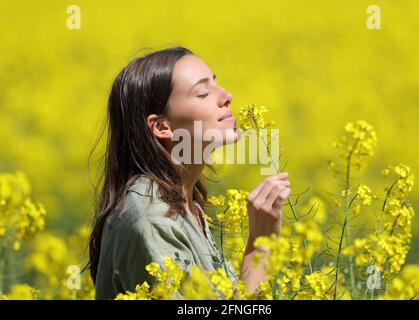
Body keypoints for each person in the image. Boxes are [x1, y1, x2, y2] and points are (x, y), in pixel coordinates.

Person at [87, 46, 291, 299]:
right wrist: (261, 247)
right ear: (162, 127)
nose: (227, 96)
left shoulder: (181, 202)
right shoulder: (151, 219)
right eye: (203, 92)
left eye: (216, 84)